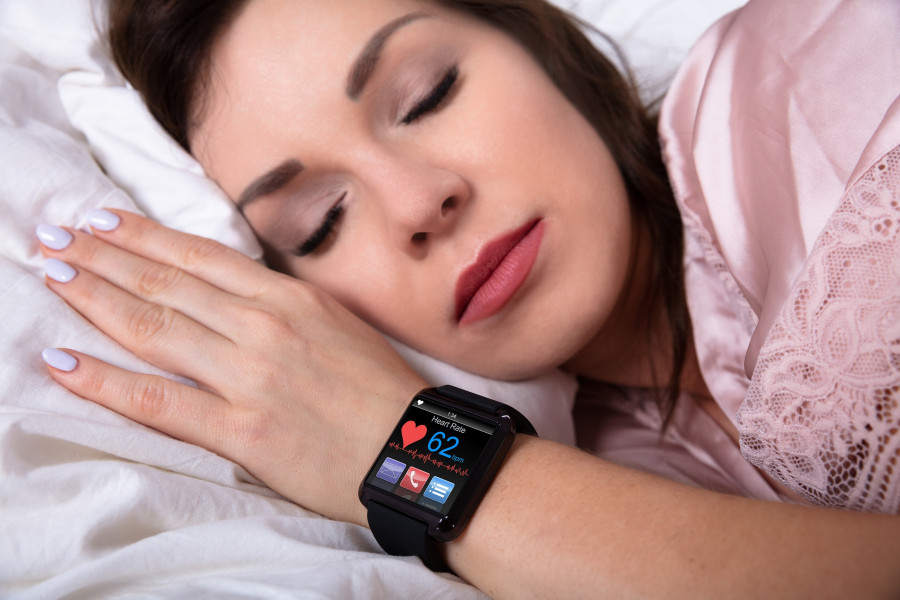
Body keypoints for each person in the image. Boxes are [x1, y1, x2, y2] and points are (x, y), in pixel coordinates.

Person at [34, 0, 900, 597]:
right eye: (321, 223)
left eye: (429, 94)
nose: (418, 203)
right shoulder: (593, 461)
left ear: (538, 40)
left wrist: (415, 455)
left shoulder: (811, 76)